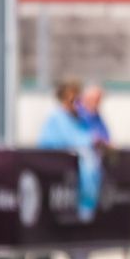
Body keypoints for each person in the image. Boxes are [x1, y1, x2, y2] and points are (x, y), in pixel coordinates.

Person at [38, 79, 102, 221]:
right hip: (54, 160)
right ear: (65, 98)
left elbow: (89, 136)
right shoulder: (57, 117)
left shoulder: (78, 118)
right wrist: (93, 141)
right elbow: (73, 139)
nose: (77, 103)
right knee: (87, 160)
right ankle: (86, 209)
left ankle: (90, 208)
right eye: (73, 98)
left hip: (70, 160)